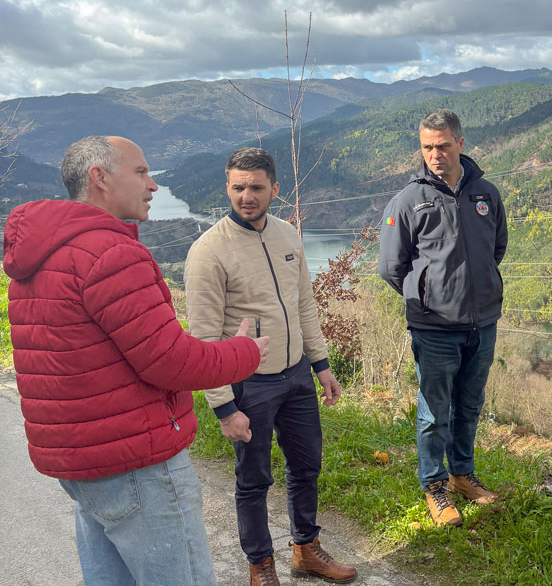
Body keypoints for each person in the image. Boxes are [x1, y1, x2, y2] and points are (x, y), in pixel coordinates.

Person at [2, 136, 270, 586]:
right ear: (99, 178)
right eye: (141, 173)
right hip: (135, 461)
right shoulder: (110, 253)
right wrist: (244, 352)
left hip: (81, 459)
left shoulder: (39, 257)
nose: (153, 186)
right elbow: (170, 362)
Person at [184, 147, 357, 585]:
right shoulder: (208, 251)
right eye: (238, 187)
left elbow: (304, 306)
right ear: (227, 187)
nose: (247, 196)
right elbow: (204, 338)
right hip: (247, 383)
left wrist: (321, 364)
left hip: (296, 373)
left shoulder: (287, 235)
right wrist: (224, 408)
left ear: (274, 189)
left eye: (256, 187)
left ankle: (306, 550)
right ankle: (261, 566)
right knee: (254, 479)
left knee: (306, 467)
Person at [378, 108, 507, 527]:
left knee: (469, 405)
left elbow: (496, 249)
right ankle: (434, 486)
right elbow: (390, 267)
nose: (435, 154)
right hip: (433, 328)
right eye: (428, 147)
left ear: (461, 144)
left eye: (443, 146)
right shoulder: (409, 200)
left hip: (482, 324)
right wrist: (427, 297)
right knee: (435, 413)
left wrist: (477, 291)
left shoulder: (485, 194)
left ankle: (462, 475)